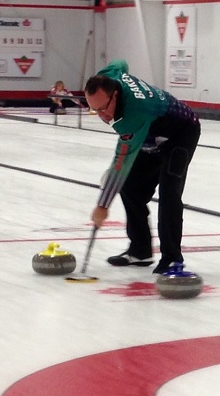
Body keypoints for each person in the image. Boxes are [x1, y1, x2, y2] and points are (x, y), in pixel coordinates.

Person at [84, 60, 201, 274]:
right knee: (130, 186)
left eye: (103, 108)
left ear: (115, 95)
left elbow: (121, 162)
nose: (102, 116)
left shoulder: (132, 116)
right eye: (95, 111)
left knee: (169, 193)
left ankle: (172, 258)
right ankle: (140, 250)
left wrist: (102, 205)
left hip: (180, 133)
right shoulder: (109, 75)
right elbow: (121, 63)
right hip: (151, 133)